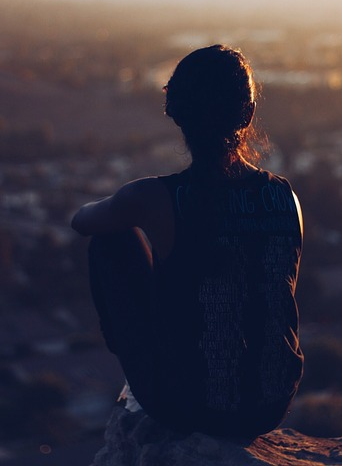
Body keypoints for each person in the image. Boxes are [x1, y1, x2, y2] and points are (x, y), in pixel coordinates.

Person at [71, 44, 303, 440]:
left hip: (186, 406)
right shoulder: (286, 197)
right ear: (247, 114)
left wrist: (129, 205)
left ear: (176, 113)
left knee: (110, 241)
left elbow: (82, 221)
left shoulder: (153, 198)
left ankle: (141, 376)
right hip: (270, 405)